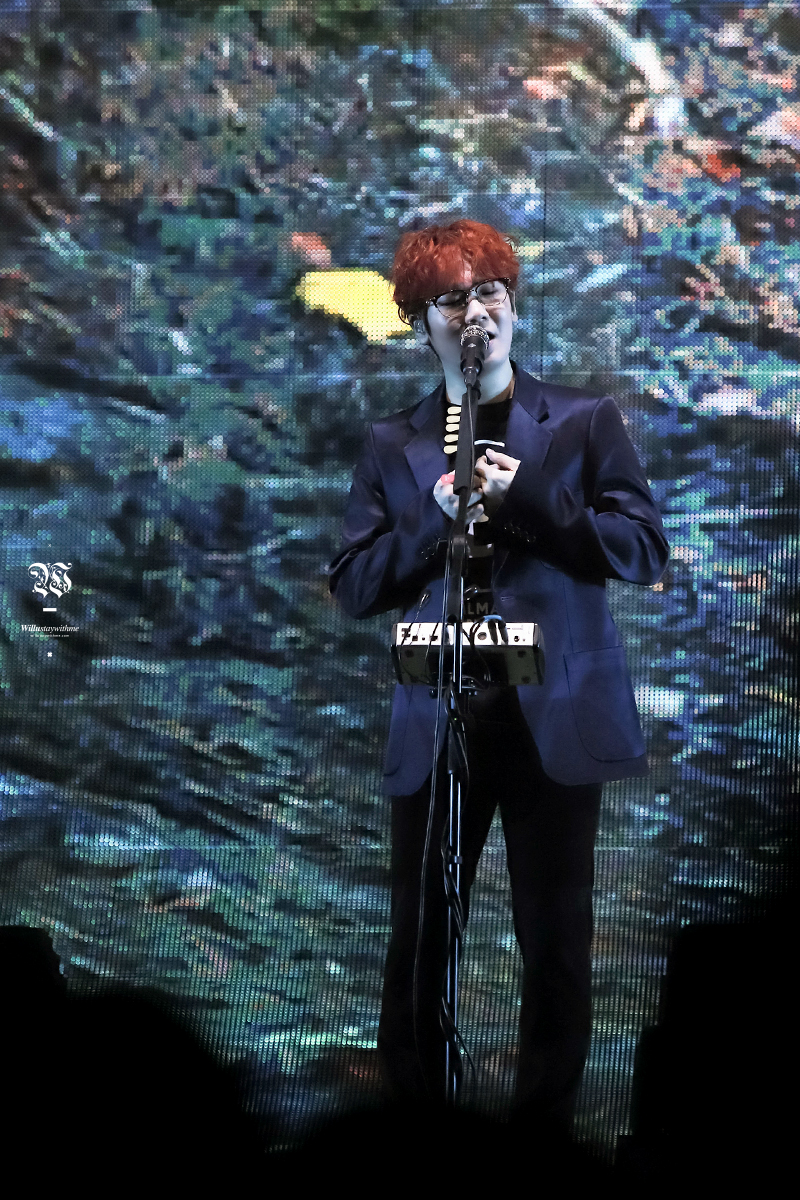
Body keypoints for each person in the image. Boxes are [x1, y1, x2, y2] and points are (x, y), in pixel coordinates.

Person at [329, 220, 669, 1132]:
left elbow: (640, 549)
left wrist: (535, 498)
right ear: (421, 322)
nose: (476, 313)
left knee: (555, 940)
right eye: (452, 299)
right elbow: (354, 585)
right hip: (440, 707)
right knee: (420, 938)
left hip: (552, 708)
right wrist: (429, 520)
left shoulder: (582, 420)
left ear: (513, 306)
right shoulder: (393, 440)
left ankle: (543, 1131)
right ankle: (419, 1121)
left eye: (490, 293)